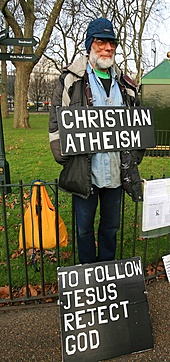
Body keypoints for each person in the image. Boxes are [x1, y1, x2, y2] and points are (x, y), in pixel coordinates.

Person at [49, 17, 144, 265]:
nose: (108, 48)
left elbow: (138, 125)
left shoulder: (126, 84)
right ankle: (88, 272)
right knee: (83, 229)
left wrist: (135, 156)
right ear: (90, 44)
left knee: (110, 227)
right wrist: (62, 155)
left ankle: (108, 270)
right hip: (85, 171)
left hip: (115, 172)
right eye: (101, 42)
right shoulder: (71, 79)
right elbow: (56, 121)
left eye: (111, 43)